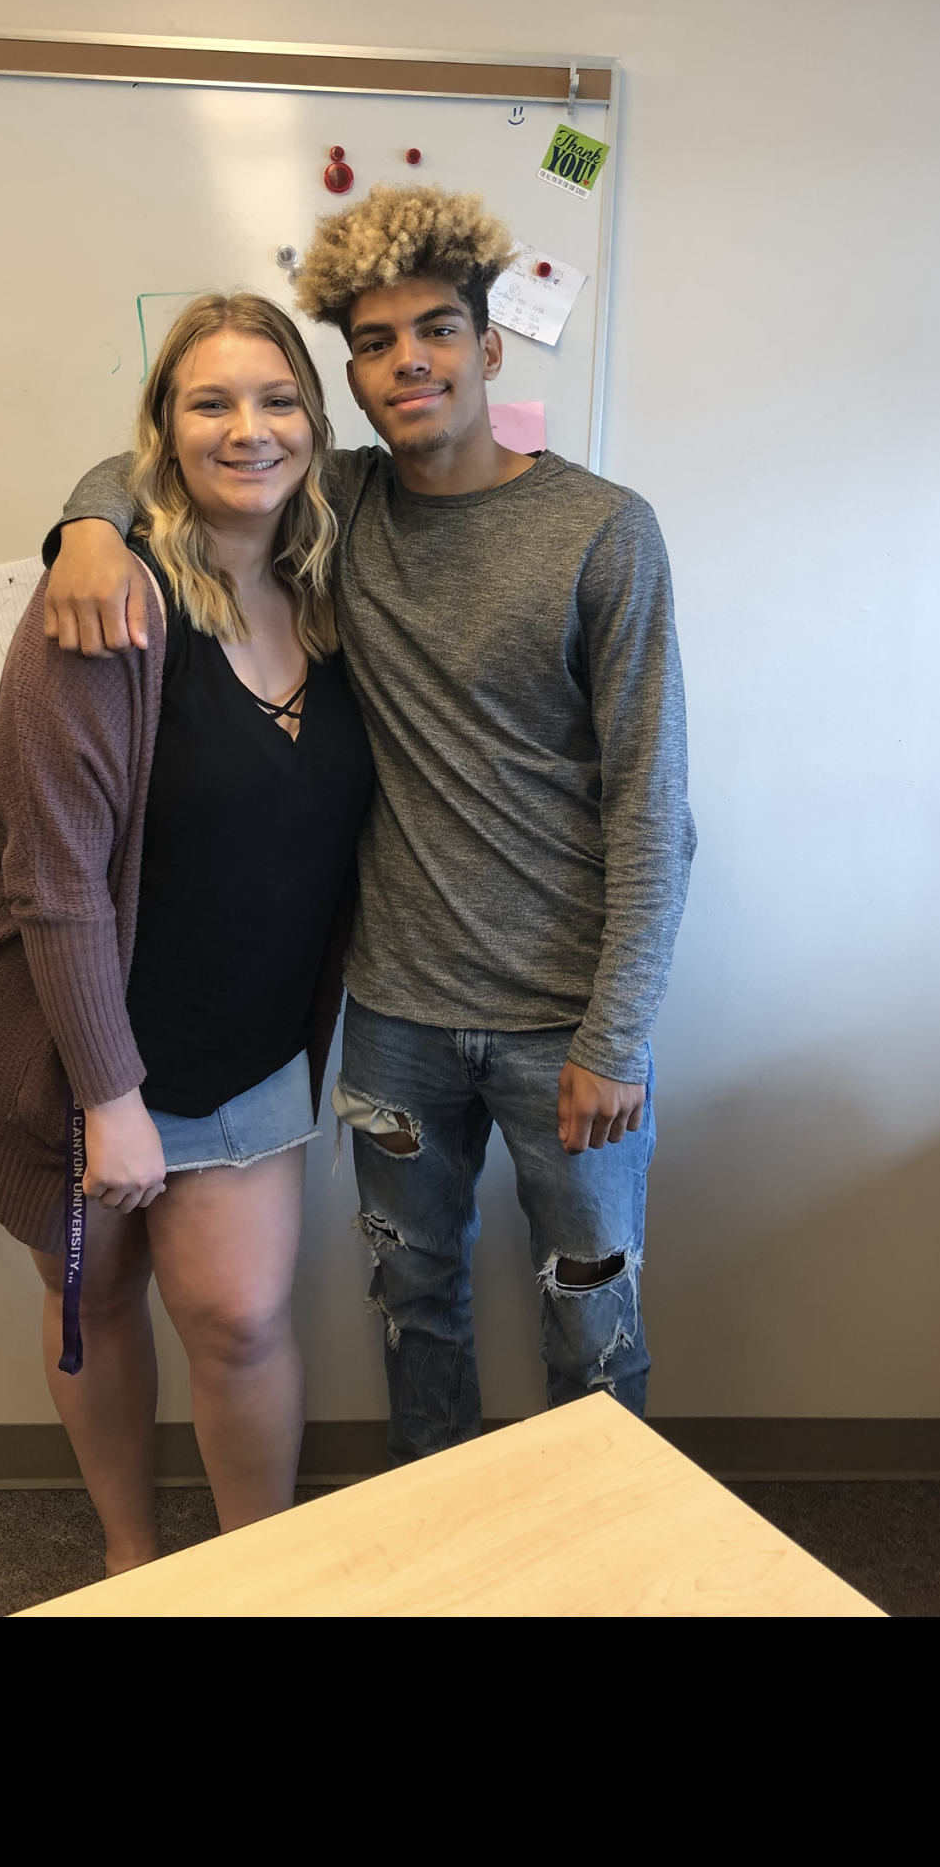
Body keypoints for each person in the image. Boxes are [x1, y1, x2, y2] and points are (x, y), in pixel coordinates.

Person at [44, 185, 696, 1463]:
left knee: (594, 1318)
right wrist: (86, 533)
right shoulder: (332, 506)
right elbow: (156, 462)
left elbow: (654, 805)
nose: (411, 361)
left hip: (568, 1021)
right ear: (348, 377)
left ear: (489, 346)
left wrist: (618, 1034)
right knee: (415, 1307)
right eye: (377, 343)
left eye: (438, 331)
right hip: (395, 1016)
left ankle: (606, 1546)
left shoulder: (603, 532)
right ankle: (432, 1536)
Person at [0, 294, 373, 1570]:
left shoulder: (342, 588)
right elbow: (54, 877)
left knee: (239, 1320)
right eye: (209, 403)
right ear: (162, 432)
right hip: (75, 1046)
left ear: (317, 422)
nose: (249, 429)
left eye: (278, 399)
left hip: (249, 1042)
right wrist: (110, 1096)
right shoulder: (105, 604)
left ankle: (252, 1582)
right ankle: (131, 1564)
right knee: (99, 1296)